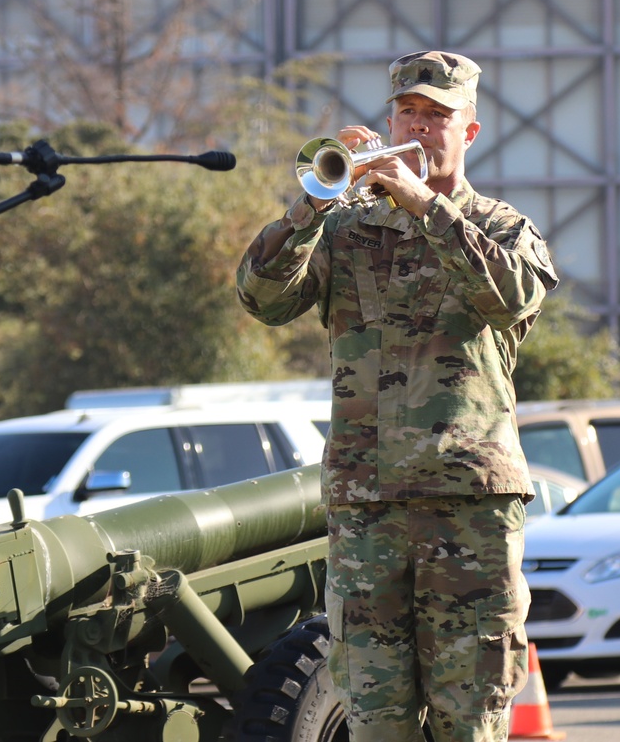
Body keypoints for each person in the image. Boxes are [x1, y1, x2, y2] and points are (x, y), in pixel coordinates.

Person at [237, 51, 559, 742]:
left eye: (437, 116)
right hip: (368, 510)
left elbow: (512, 295)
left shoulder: (503, 228)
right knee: (376, 721)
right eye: (407, 112)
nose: (419, 126)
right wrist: (310, 206)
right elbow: (260, 297)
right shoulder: (347, 231)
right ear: (389, 119)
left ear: (468, 132)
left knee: (468, 719)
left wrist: (423, 204)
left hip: (466, 510)